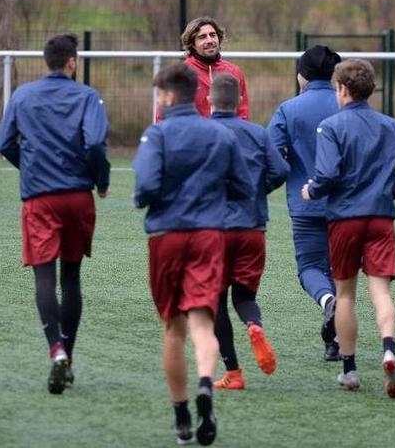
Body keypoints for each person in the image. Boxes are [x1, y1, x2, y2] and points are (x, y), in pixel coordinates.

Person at [133, 63, 255, 445]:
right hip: (208, 235)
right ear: (197, 94)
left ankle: (182, 415)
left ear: (168, 96)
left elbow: (145, 189)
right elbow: (243, 187)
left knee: (173, 328)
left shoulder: (157, 134)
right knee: (204, 322)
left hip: (167, 236)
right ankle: (206, 383)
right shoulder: (220, 135)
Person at [302, 59, 395, 398]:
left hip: (344, 219)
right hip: (381, 217)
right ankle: (388, 350)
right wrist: (391, 191)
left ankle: (350, 369)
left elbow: (326, 176)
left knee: (344, 296)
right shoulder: (391, 125)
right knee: (381, 291)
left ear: (341, 89)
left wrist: (311, 190)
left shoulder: (331, 126)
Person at [0, 33, 110, 395]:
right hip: (77, 195)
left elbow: (3, 143)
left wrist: (29, 167)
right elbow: (93, 143)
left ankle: (56, 350)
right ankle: (69, 357)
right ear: (72, 62)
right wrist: (100, 180)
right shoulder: (87, 96)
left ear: (46, 61)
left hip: (39, 197)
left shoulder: (22, 95)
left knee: (43, 278)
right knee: (72, 278)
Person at [209, 73, 289, 389]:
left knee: (214, 302)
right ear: (240, 101)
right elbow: (281, 170)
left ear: (209, 100)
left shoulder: (203, 132)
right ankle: (253, 325)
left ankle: (233, 373)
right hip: (252, 227)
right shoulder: (257, 132)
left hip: (213, 230)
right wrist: (258, 190)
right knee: (244, 297)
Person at [267, 45, 343, 361]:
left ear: (301, 76)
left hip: (305, 204)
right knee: (340, 272)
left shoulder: (289, 109)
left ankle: (326, 302)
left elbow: (271, 154)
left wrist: (282, 177)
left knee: (311, 268)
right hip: (345, 205)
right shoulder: (347, 106)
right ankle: (335, 341)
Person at [157, 16, 249, 120]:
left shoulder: (234, 71)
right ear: (193, 44)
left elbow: (242, 113)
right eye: (202, 37)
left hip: (225, 136)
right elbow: (162, 117)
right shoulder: (180, 73)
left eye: (213, 35)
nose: (209, 40)